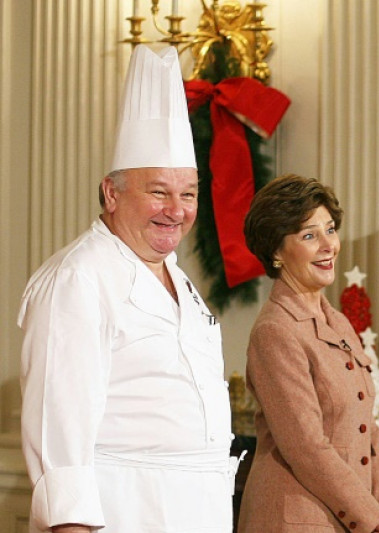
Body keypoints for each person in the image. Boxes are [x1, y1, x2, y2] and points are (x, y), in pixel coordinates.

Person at [17, 46, 234, 532]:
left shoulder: (177, 278)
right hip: (122, 514)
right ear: (112, 194)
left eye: (189, 194)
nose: (176, 210)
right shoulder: (79, 278)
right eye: (158, 191)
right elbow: (58, 428)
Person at [239, 174, 379, 533]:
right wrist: (372, 514)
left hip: (344, 515)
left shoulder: (339, 323)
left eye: (330, 230)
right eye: (309, 236)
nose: (328, 245)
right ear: (276, 252)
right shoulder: (275, 331)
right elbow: (305, 446)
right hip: (295, 521)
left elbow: (367, 429)